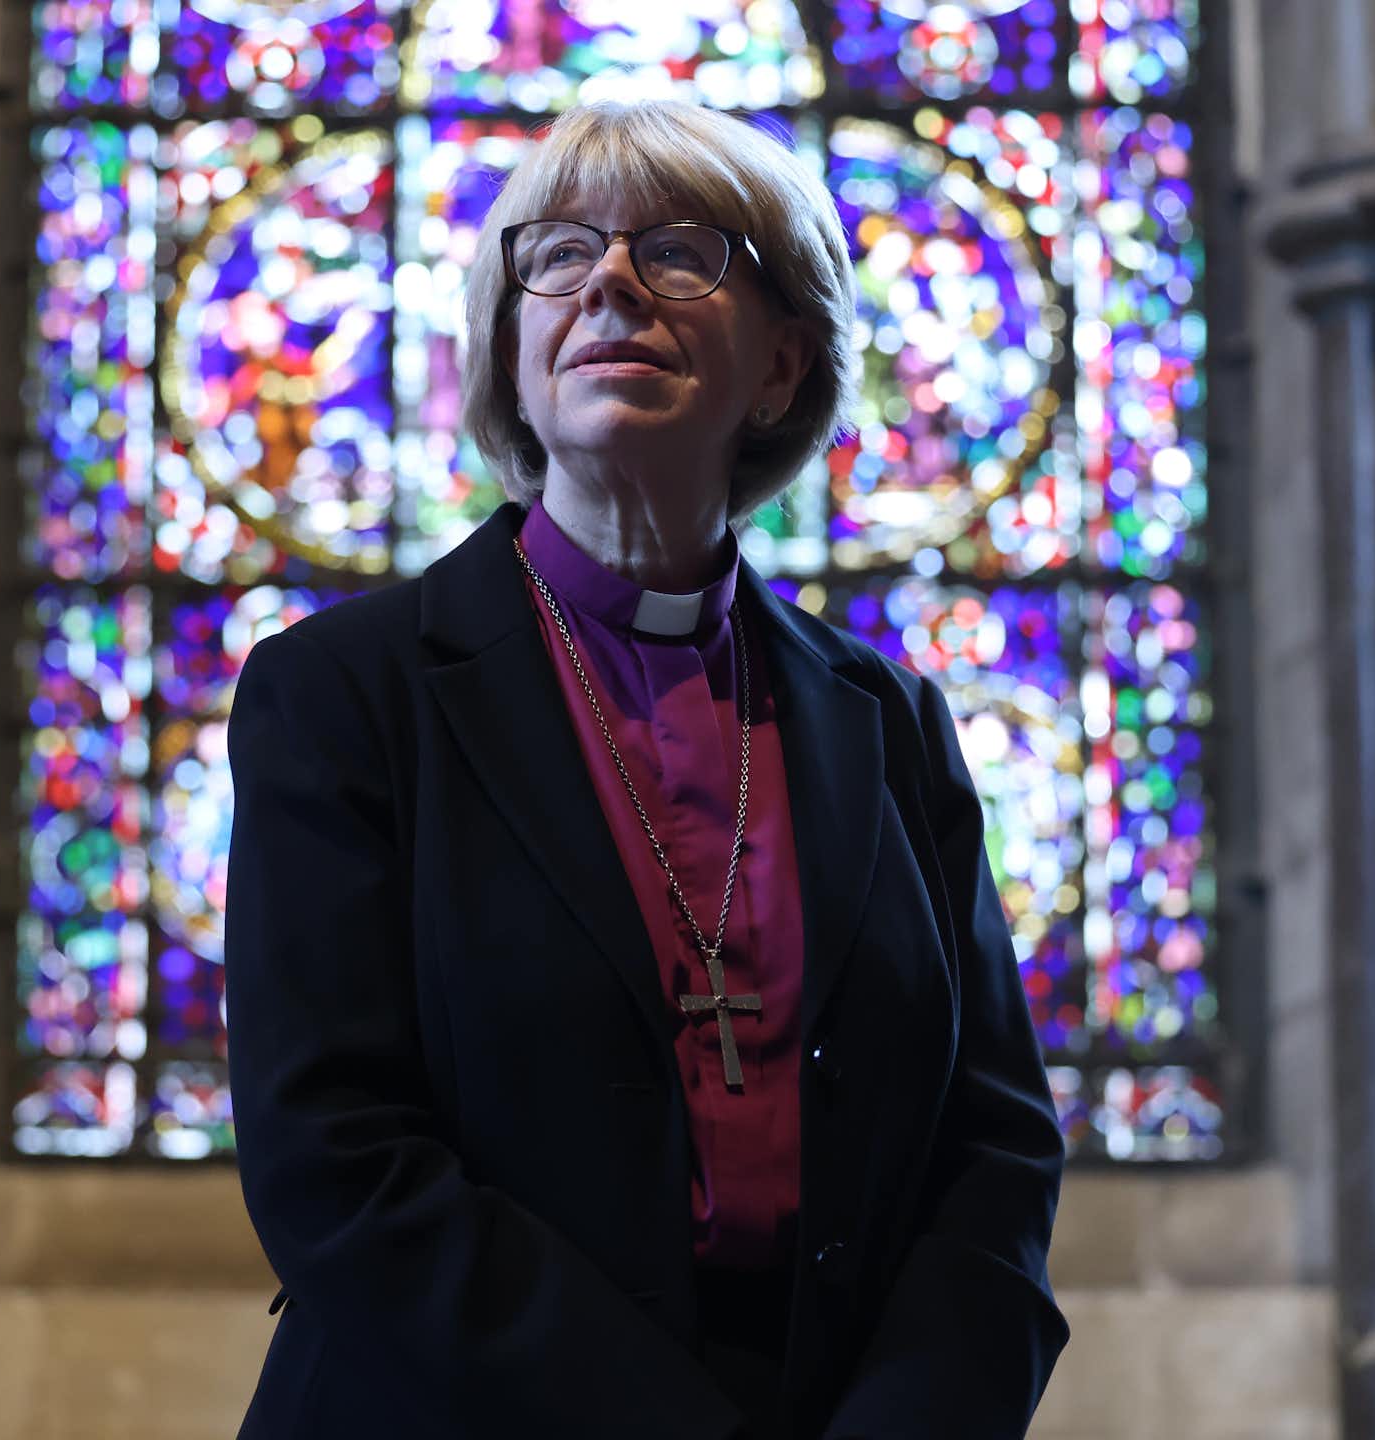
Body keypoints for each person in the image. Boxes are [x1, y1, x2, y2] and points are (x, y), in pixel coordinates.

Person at [226, 98, 1069, 1440]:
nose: (608, 279)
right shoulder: (344, 693)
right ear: (510, 350)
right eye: (554, 257)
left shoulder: (887, 720)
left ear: (784, 363)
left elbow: (997, 1146)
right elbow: (335, 1155)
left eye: (681, 250)